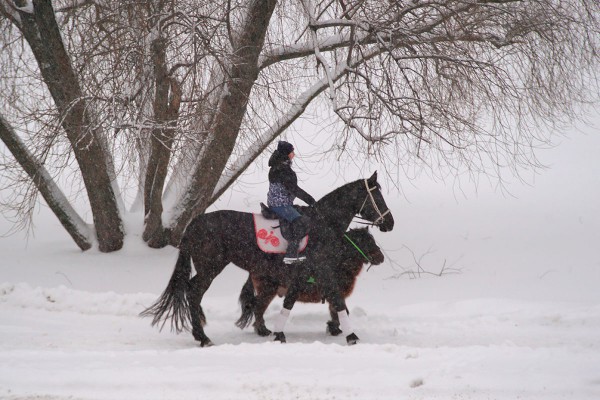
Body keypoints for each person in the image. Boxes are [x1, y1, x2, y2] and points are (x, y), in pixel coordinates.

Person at [267, 140, 316, 264]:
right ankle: (291, 254)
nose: (294, 154)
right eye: (292, 152)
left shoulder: (280, 165)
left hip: (282, 202)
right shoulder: (282, 168)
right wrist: (310, 200)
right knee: (300, 222)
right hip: (280, 204)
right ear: (286, 153)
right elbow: (293, 189)